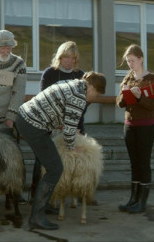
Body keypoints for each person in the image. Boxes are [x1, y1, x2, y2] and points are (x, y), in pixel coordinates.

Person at [16, 71, 106, 230]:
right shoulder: (79, 97)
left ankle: (45, 206)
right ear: (91, 87)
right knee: (55, 168)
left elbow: (56, 108)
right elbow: (70, 131)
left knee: (50, 165)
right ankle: (36, 217)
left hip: (25, 116)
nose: (95, 98)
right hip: (33, 125)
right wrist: (73, 147)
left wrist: (63, 126)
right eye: (97, 94)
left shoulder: (71, 84)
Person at [30, 41, 86, 203]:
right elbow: (43, 100)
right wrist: (57, 122)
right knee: (41, 160)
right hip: (49, 124)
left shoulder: (80, 75)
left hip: (72, 124)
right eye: (66, 57)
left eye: (73, 58)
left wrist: (77, 128)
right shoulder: (49, 74)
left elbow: (82, 104)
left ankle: (78, 193)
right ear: (60, 57)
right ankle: (36, 195)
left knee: (78, 157)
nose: (69, 61)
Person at [116, 44, 154, 214]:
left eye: (133, 61)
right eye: (128, 61)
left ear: (141, 59)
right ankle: (132, 199)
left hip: (146, 127)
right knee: (134, 163)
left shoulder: (151, 79)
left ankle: (142, 202)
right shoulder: (127, 78)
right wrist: (125, 93)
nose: (130, 64)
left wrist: (139, 96)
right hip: (129, 126)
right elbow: (120, 103)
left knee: (143, 162)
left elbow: (153, 105)